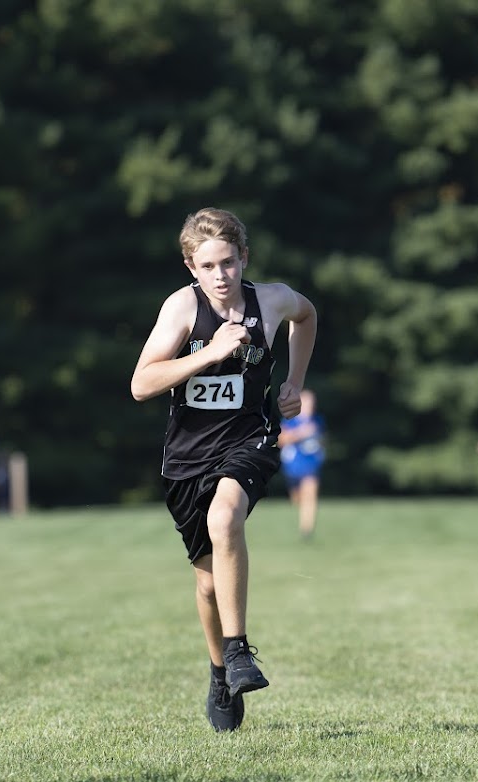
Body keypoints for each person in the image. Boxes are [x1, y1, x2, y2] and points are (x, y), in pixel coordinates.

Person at [131, 207, 316, 733]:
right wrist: (208, 353)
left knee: (225, 515)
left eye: (228, 263)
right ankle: (220, 672)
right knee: (209, 586)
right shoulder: (182, 308)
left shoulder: (270, 301)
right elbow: (141, 384)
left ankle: (238, 651)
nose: (220, 276)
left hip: (249, 440)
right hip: (187, 457)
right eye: (208, 266)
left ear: (244, 258)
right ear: (191, 267)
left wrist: (295, 382)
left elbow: (307, 316)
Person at [277, 387, 325, 540]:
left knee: (310, 495)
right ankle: (303, 516)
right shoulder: (290, 420)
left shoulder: (318, 420)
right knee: (297, 498)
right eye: (306, 402)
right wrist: (301, 433)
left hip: (311, 463)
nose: (310, 406)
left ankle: (306, 531)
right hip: (293, 465)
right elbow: (281, 440)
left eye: (312, 403)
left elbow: (322, 440)